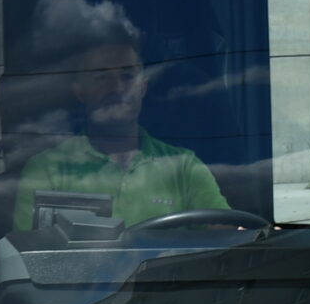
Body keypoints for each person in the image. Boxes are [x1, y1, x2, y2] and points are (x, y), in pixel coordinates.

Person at [12, 28, 226, 231]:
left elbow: (229, 239)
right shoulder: (47, 171)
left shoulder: (185, 168)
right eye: (101, 76)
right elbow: (26, 261)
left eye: (127, 76)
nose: (116, 87)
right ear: (79, 90)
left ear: (143, 87)